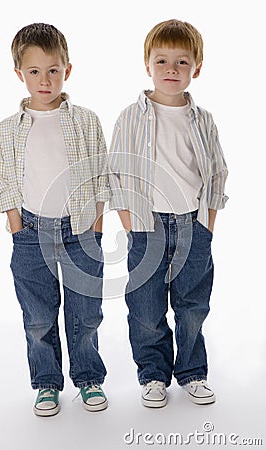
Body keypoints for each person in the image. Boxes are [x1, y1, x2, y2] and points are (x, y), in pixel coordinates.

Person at [0, 23, 110, 416]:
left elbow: (100, 175)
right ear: (19, 75)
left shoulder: (85, 120)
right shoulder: (9, 129)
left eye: (53, 70)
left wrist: (95, 226)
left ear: (68, 70)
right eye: (35, 72)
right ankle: (46, 383)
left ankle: (88, 378)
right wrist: (15, 225)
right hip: (30, 232)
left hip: (79, 231)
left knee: (86, 311)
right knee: (39, 316)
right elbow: (4, 178)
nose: (45, 80)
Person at [109, 19, 228, 407]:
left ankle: (192, 372)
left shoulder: (202, 120)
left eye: (181, 62)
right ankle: (153, 374)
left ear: (197, 67)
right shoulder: (131, 116)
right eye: (162, 61)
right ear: (148, 65)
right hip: (147, 225)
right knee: (145, 307)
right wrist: (129, 219)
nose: (171, 70)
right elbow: (117, 169)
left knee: (192, 304)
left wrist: (208, 221)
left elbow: (216, 172)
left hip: (192, 224)